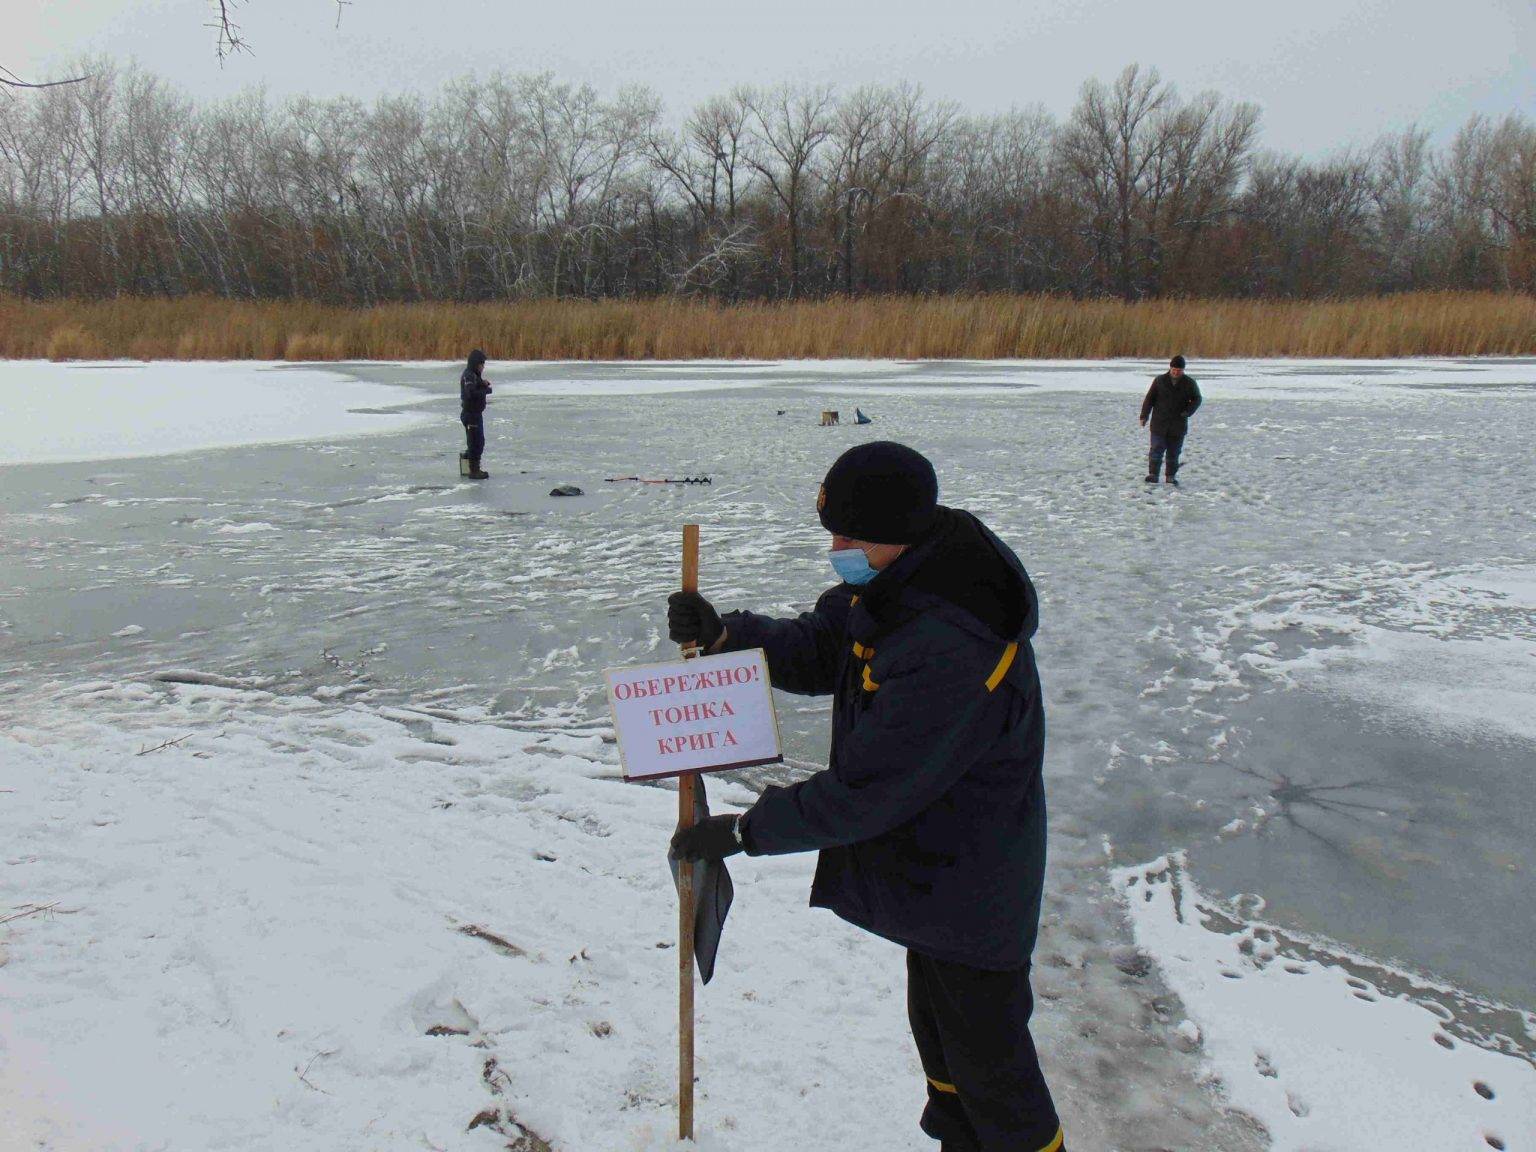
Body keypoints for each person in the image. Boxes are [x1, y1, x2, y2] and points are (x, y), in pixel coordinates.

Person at [667, 442, 1064, 1152]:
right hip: (934, 873)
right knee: (946, 1052)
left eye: (852, 535)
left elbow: (867, 793)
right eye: (832, 530)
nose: (837, 547)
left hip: (973, 883)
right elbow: (827, 650)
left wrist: (744, 832)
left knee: (995, 1076)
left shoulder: (952, 640)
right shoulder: (904, 579)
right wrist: (729, 635)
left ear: (901, 528)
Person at [1139, 354, 1202, 485]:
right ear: (1170, 368)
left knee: (1174, 452)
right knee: (1156, 450)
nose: (1176, 372)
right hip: (1159, 423)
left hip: (1178, 424)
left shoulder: (1189, 383)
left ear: (1183, 370)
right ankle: (1153, 475)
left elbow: (1197, 399)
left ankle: (1170, 477)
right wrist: (1144, 416)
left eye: (1179, 370)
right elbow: (1149, 399)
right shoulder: (1159, 381)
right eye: (1174, 369)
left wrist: (1188, 411)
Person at [459, 349, 492, 480]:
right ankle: (474, 470)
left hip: (475, 414)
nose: (483, 367)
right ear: (475, 364)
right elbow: (470, 393)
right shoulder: (469, 375)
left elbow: (476, 385)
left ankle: (468, 459)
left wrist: (483, 384)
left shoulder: (473, 375)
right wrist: (485, 391)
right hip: (471, 414)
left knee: (478, 442)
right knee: (476, 443)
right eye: (481, 365)